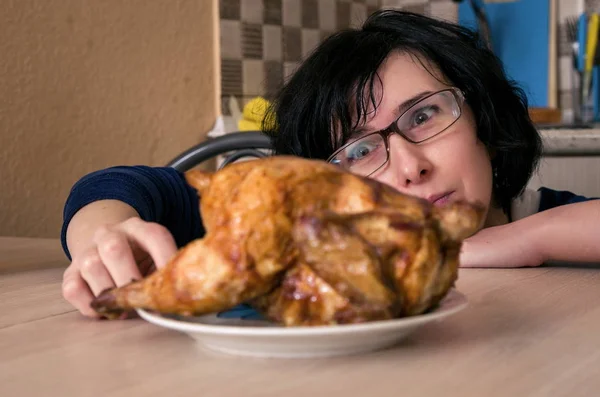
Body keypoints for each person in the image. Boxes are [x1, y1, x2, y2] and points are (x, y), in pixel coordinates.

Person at [60, 10, 599, 318]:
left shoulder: (539, 218)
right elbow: (118, 186)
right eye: (361, 151)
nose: (409, 167)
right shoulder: (318, 237)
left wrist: (531, 237)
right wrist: (105, 239)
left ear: (481, 115)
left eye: (424, 115)